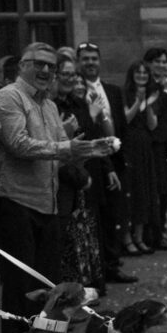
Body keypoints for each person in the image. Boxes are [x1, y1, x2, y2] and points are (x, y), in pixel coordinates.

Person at [0, 43, 113, 333]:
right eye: (38, 64)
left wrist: (89, 149)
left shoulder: (49, 105)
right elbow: (18, 144)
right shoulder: (9, 97)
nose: (45, 70)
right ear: (22, 66)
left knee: (47, 283)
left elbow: (60, 151)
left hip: (48, 204)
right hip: (14, 201)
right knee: (20, 286)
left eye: (51, 66)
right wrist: (67, 147)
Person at [76, 42, 136, 284]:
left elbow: (121, 125)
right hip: (92, 161)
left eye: (94, 58)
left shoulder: (112, 90)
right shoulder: (78, 92)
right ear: (79, 62)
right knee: (96, 217)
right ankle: (97, 267)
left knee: (114, 214)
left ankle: (112, 264)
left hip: (115, 160)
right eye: (85, 59)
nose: (90, 62)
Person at [54, 55, 106, 292]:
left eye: (73, 75)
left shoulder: (75, 104)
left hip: (79, 172)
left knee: (78, 237)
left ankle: (79, 291)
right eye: (65, 74)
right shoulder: (51, 104)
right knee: (63, 242)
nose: (70, 79)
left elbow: (90, 135)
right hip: (59, 178)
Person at [142, 47, 167, 251]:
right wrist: (166, 92)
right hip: (152, 144)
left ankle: (162, 232)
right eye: (157, 61)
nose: (162, 65)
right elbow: (154, 113)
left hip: (165, 143)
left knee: (165, 189)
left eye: (165, 61)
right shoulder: (147, 85)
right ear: (148, 64)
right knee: (157, 190)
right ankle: (154, 235)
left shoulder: (165, 85)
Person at [121, 60, 161, 255]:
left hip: (145, 147)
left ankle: (140, 236)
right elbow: (126, 119)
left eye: (145, 73)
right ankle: (127, 237)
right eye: (139, 73)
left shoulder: (153, 95)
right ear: (132, 75)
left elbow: (153, 125)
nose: (142, 76)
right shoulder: (124, 94)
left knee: (145, 191)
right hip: (130, 146)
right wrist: (139, 101)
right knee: (132, 190)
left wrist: (150, 105)